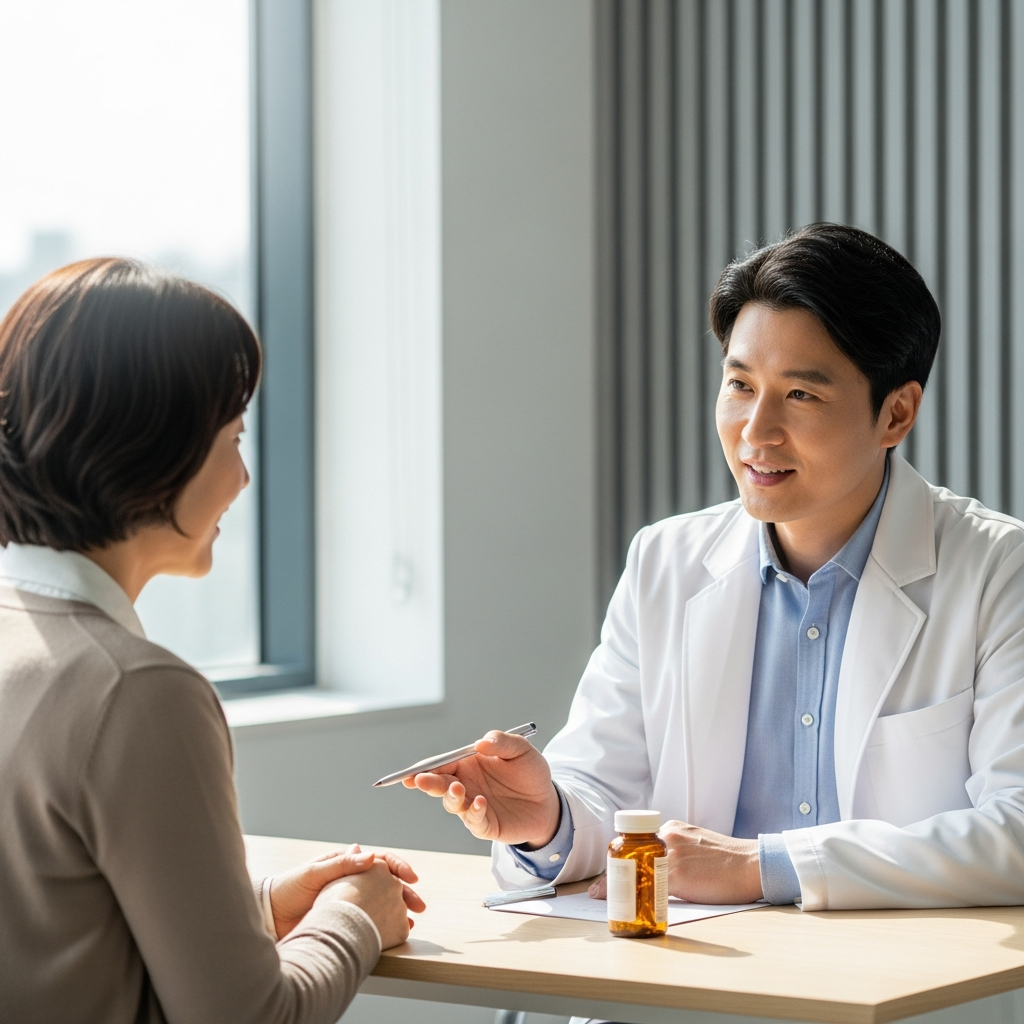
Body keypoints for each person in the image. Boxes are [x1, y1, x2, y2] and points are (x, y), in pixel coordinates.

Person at [407, 223, 1024, 912]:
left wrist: (764, 867)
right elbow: (607, 793)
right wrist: (547, 820)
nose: (755, 432)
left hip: (890, 993)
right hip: (690, 982)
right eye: (739, 386)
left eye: (800, 395)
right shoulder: (665, 562)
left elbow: (1018, 830)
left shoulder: (998, 571)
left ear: (896, 414)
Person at [0, 258, 424, 1024]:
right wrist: (357, 913)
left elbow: (54, 932)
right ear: (151, 450)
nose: (244, 477)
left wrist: (253, 906)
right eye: (234, 437)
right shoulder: (135, 691)